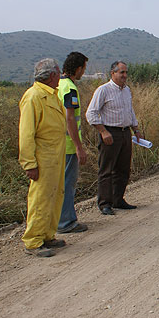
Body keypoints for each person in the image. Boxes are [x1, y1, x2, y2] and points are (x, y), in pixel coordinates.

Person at [18, 58, 67, 257]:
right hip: (43, 157)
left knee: (55, 196)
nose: (60, 77)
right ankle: (33, 241)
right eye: (58, 73)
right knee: (40, 199)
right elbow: (26, 133)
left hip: (56, 155)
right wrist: (29, 163)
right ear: (52, 75)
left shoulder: (52, 95)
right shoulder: (33, 97)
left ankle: (48, 235)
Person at [86, 61, 144, 215]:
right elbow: (91, 113)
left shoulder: (126, 90)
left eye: (126, 72)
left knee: (123, 169)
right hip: (110, 133)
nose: (124, 75)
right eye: (121, 72)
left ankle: (118, 199)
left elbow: (130, 111)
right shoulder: (103, 90)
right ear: (113, 73)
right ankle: (105, 203)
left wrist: (135, 129)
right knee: (107, 170)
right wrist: (103, 131)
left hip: (125, 133)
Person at [56, 52, 90, 234]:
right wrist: (78, 146)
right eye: (84, 68)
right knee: (67, 184)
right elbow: (70, 119)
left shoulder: (57, 85)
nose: (83, 72)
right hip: (68, 145)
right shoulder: (70, 88)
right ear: (78, 68)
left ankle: (58, 220)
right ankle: (66, 222)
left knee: (59, 184)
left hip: (57, 143)